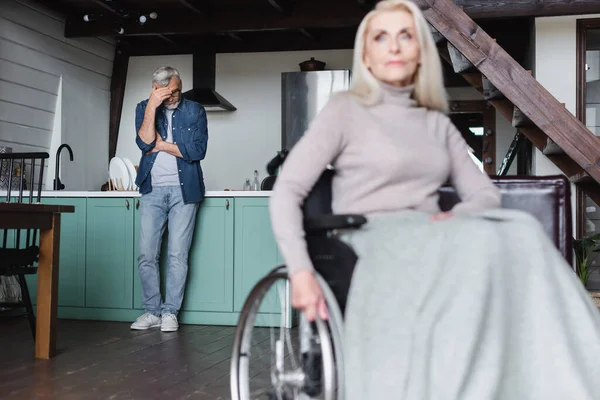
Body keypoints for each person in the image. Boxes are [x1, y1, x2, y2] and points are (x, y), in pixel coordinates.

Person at [269, 0, 600, 398]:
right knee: (478, 242)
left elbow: (482, 193)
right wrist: (301, 273)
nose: (394, 46)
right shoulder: (345, 111)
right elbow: (287, 191)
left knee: (523, 229)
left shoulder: (435, 123)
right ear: (368, 57)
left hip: (429, 232)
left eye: (406, 35)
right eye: (381, 37)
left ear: (420, 53)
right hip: (367, 236)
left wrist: (457, 214)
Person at [130, 66, 208, 332]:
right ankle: (151, 311)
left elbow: (198, 150)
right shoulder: (144, 107)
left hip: (184, 191)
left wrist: (162, 146)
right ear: (156, 89)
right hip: (152, 189)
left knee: (177, 254)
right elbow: (144, 142)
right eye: (168, 92)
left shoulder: (195, 110)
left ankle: (170, 312)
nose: (175, 95)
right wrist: (153, 104)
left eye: (177, 89)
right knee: (146, 254)